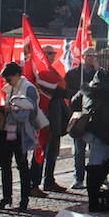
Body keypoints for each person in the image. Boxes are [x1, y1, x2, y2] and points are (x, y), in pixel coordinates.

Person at [75, 69, 109, 212]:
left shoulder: (89, 90)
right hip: (100, 135)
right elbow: (107, 122)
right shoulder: (107, 96)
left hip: (87, 131)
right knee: (98, 165)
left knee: (100, 162)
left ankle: (96, 197)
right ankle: (94, 202)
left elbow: (73, 102)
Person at [0, 62, 41, 211]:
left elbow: (30, 112)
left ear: (16, 75)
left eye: (8, 79)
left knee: (22, 166)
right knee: (5, 165)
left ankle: (24, 199)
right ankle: (6, 197)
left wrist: (10, 109)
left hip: (21, 132)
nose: (6, 82)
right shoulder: (12, 87)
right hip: (8, 131)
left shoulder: (28, 88)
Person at [32, 46, 71, 194]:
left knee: (52, 152)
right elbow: (60, 91)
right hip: (44, 117)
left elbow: (63, 91)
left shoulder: (53, 71)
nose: (52, 56)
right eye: (49, 53)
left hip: (55, 118)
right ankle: (34, 183)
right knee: (40, 151)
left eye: (54, 53)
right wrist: (63, 91)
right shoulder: (41, 72)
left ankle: (49, 180)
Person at [66, 49, 98, 189]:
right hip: (78, 117)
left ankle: (96, 177)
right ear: (83, 57)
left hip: (94, 118)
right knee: (79, 150)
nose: (91, 58)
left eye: (94, 56)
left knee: (95, 150)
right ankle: (78, 177)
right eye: (89, 55)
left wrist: (98, 70)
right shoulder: (73, 73)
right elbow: (66, 92)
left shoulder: (98, 74)